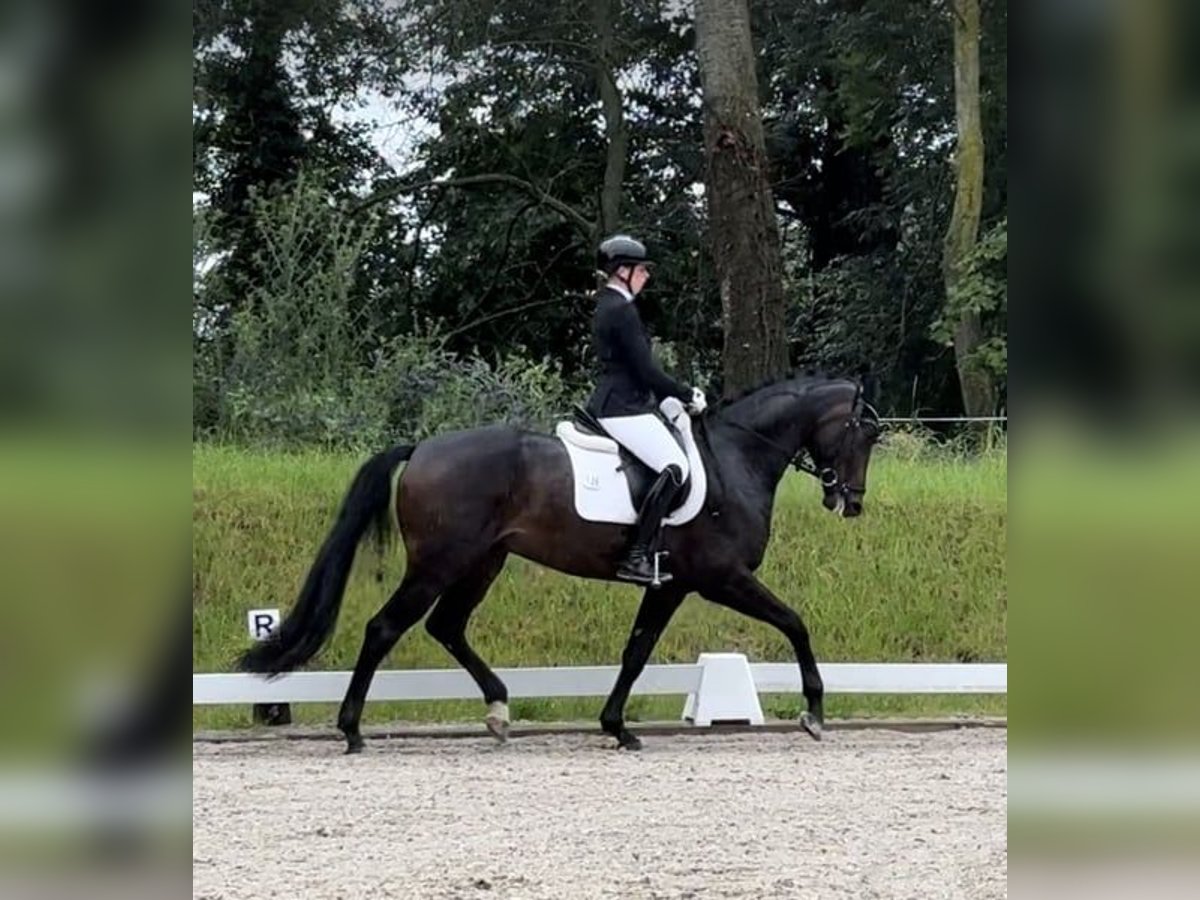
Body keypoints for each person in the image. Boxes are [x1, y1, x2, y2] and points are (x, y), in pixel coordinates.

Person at [585, 234, 707, 585]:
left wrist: (662, 398)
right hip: (622, 407)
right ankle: (637, 555)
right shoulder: (620, 309)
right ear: (622, 270)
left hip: (627, 400)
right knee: (676, 466)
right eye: (641, 270)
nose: (646, 276)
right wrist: (686, 394)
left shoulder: (611, 304)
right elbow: (646, 370)